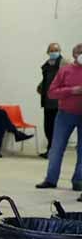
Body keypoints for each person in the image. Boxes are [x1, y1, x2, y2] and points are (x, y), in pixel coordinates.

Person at [37, 44, 82, 190]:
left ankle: (78, 181)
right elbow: (52, 92)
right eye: (79, 52)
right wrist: (72, 90)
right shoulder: (65, 71)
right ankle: (51, 179)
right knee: (56, 148)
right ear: (74, 55)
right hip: (65, 114)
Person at [38, 43, 63, 158]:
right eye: (51, 50)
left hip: (58, 102)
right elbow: (46, 80)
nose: (53, 52)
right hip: (47, 102)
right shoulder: (47, 65)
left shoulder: (63, 64)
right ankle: (50, 149)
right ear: (48, 52)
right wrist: (41, 87)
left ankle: (54, 152)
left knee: (56, 128)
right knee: (47, 127)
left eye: (56, 50)